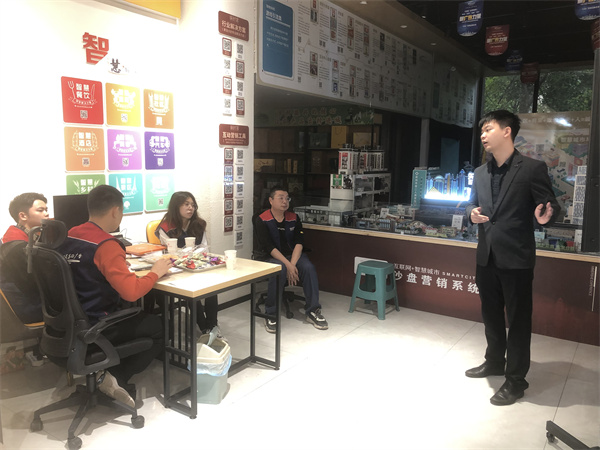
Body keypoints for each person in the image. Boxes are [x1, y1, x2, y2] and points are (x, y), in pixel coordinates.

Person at [465, 110, 560, 406]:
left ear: (507, 131)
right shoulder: (480, 173)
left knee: (518, 321)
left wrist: (544, 216)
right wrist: (471, 213)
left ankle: (516, 380)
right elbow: (471, 204)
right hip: (486, 256)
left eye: (488, 129)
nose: (483, 135)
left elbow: (550, 205)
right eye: (482, 130)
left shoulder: (532, 168)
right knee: (490, 315)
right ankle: (494, 361)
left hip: (517, 258)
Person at [60, 185, 172, 408]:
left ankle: (105, 372)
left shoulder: (69, 235)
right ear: (115, 211)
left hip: (68, 324)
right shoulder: (107, 245)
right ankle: (114, 377)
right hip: (97, 325)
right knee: (159, 327)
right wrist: (155, 272)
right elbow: (131, 291)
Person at [254, 186, 328, 333]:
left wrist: (292, 264)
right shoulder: (262, 219)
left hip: (293, 256)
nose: (285, 201)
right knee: (279, 269)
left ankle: (313, 310)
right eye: (280, 198)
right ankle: (270, 313)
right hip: (270, 257)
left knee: (308, 268)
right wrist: (288, 265)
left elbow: (299, 242)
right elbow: (268, 247)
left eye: (287, 198)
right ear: (271, 200)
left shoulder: (294, 217)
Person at [156, 191, 220, 335]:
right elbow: (169, 252)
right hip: (176, 268)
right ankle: (204, 328)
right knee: (192, 291)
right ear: (176, 206)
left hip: (197, 265)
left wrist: (196, 258)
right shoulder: (165, 227)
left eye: (193, 205)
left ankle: (213, 326)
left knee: (212, 288)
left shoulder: (199, 224)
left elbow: (204, 248)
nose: (191, 208)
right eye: (186, 204)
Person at [0, 193, 50, 326]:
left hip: (28, 302)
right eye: (41, 210)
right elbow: (36, 283)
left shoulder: (25, 239)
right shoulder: (16, 247)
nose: (47, 214)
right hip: (28, 308)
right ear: (23, 216)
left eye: (46, 209)